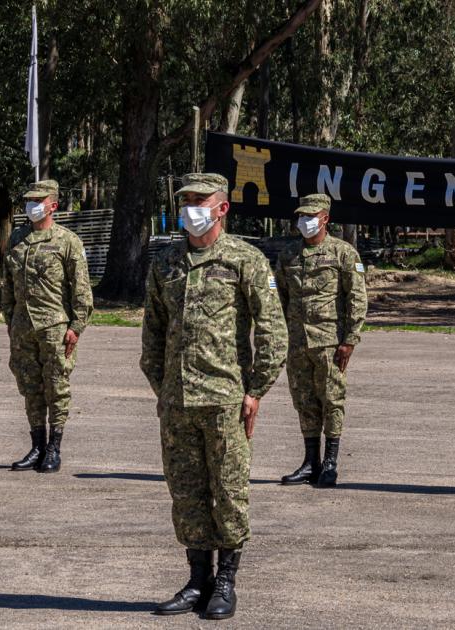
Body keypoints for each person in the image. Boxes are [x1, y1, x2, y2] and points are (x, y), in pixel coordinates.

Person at [141, 172, 288, 620]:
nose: (190, 209)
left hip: (225, 399)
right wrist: (164, 386)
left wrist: (255, 390)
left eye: (199, 201)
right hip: (178, 401)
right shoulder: (166, 262)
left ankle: (226, 581)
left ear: (222, 207)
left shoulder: (245, 260)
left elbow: (273, 331)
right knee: (186, 493)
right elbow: (153, 335)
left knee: (228, 492)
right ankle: (196, 579)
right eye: (185, 201)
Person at [274, 194, 367, 487]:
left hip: (330, 342)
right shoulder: (288, 255)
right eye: (301, 216)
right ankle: (310, 462)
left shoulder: (344, 253)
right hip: (298, 343)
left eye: (310, 216)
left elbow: (357, 298)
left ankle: (330, 462)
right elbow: (280, 298)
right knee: (304, 401)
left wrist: (350, 339)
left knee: (332, 400)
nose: (304, 221)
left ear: (325, 218)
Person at [1, 179, 92, 473]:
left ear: (52, 205)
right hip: (22, 329)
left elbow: (81, 291)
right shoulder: (17, 239)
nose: (31, 206)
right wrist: (10, 321)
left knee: (57, 388)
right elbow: (7, 285)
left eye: (38, 201)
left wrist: (76, 327)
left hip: (54, 327)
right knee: (30, 388)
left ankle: (54, 447)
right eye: (29, 200)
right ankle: (37, 445)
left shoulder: (67, 241)